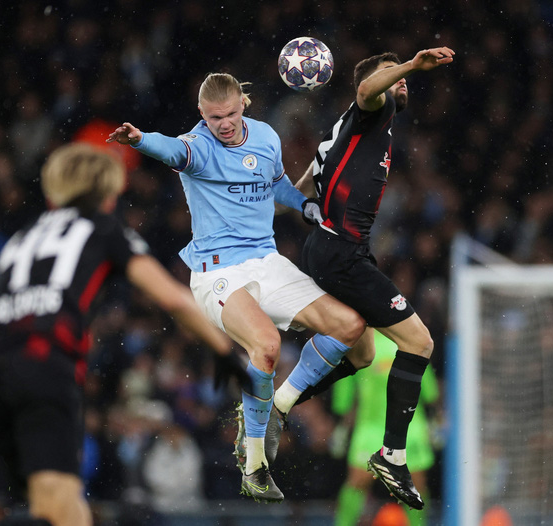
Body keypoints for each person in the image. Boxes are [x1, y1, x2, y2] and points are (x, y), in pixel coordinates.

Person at [106, 72, 366, 503]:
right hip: (217, 273)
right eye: (213, 118)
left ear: (243, 107)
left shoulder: (264, 137)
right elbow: (171, 148)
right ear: (201, 116)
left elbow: (276, 183)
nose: (223, 125)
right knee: (264, 346)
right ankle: (254, 459)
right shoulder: (199, 148)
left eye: (229, 115)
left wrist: (304, 204)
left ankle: (278, 405)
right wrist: (138, 140)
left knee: (349, 325)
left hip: (267, 262)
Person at [0, 143, 249, 526]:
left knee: (55, 505)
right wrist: (225, 351)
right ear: (110, 192)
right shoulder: (101, 227)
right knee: (59, 502)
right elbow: (174, 299)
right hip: (42, 367)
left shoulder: (22, 237)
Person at [269, 47, 455, 510]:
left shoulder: (342, 135)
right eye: (394, 78)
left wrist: (286, 205)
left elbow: (300, 187)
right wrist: (410, 65)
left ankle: (276, 406)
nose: (403, 86)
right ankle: (392, 455)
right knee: (420, 343)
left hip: (329, 249)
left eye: (404, 79)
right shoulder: (372, 108)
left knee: (364, 349)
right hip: (342, 254)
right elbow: (368, 88)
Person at [332, 331, 439, 526]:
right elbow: (431, 393)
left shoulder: (360, 341)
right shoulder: (409, 337)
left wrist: (341, 417)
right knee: (407, 488)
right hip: (390, 427)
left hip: (397, 429)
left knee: (361, 484)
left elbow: (342, 400)